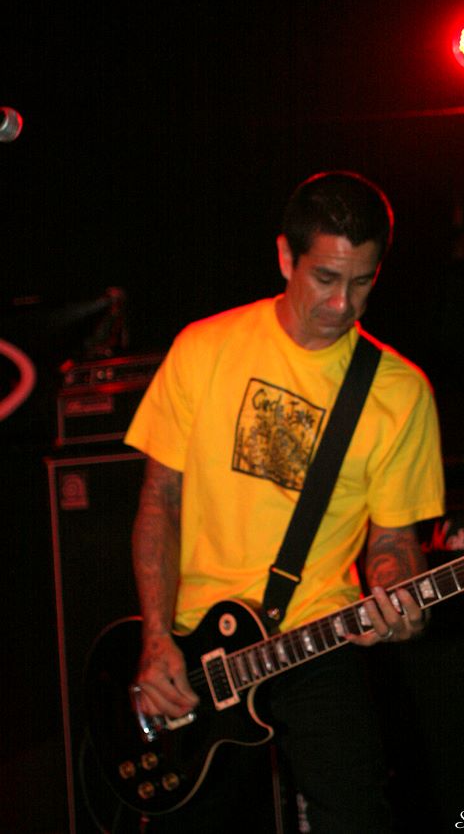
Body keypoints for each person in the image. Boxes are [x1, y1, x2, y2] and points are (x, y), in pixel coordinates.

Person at [124, 171, 445, 833]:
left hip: (315, 636)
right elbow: (160, 501)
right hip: (196, 647)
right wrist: (156, 639)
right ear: (284, 257)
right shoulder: (205, 348)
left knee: (356, 816)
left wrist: (397, 596)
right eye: (325, 278)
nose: (342, 303)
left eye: (362, 282)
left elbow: (392, 541)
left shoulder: (400, 391)